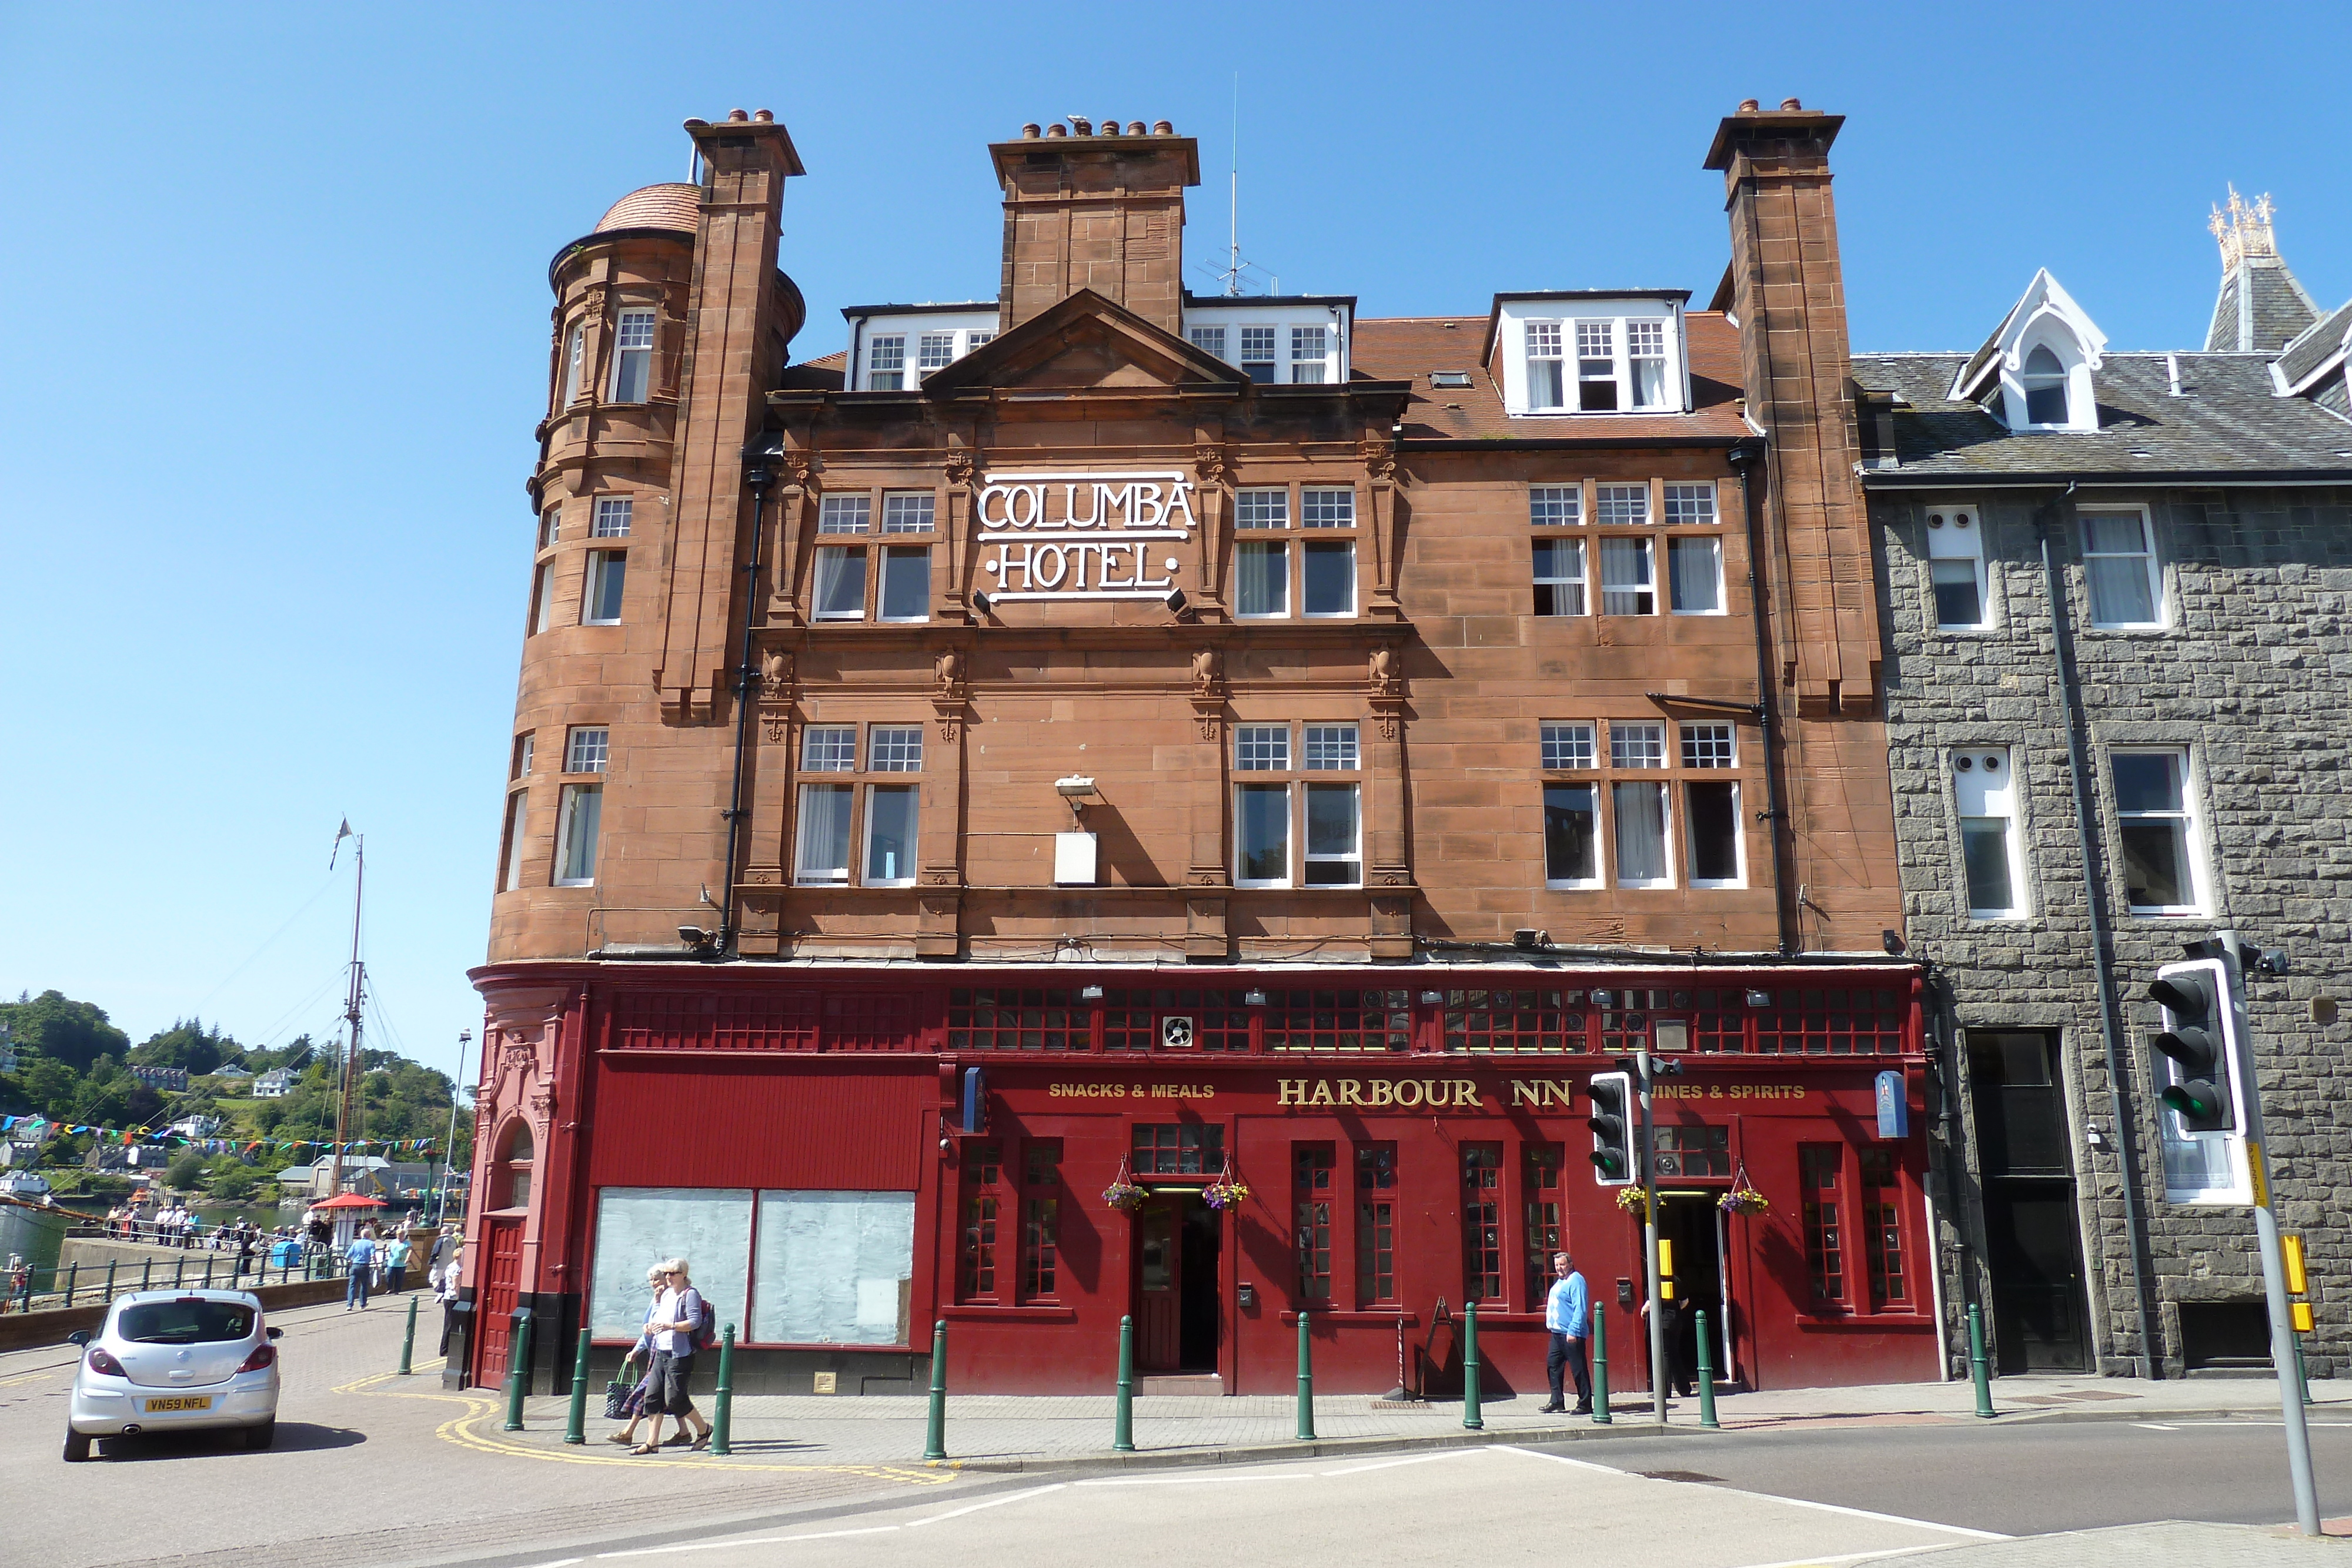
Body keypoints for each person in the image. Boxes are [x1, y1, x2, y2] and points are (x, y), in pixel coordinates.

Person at [633, 1259, 712, 1455]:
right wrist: (650, 1326)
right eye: (666, 1273)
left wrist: (671, 1327)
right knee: (652, 1397)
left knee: (675, 1399)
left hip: (680, 1354)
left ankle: (704, 1430)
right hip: (662, 1351)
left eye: (672, 1274)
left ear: (683, 1274)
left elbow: (694, 1322)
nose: (668, 1277)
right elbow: (659, 1317)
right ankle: (652, 1443)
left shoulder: (690, 1294)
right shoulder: (667, 1294)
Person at [606, 1266, 671, 1447]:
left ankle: (630, 1432)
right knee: (671, 1397)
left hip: (666, 1353)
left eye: (657, 1279)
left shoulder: (669, 1298)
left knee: (646, 1393)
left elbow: (657, 1323)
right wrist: (637, 1350)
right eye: (651, 1280)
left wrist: (658, 1300)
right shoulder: (657, 1298)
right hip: (656, 1353)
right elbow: (648, 1329)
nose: (653, 1283)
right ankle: (686, 1432)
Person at [1540, 1252, 1593, 1416]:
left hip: (1571, 1333)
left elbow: (1580, 1308)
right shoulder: (1560, 1282)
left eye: (1562, 1265)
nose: (1559, 1268)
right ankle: (1557, 1401)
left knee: (1578, 1369)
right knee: (1553, 1366)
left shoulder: (1576, 1280)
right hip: (1557, 1333)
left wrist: (1574, 1330)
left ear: (1570, 1264)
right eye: (1556, 1265)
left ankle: (1585, 1404)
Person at [345, 1226, 377, 1310]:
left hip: (355, 1266)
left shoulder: (356, 1244)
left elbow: (348, 1256)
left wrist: (350, 1262)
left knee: (352, 1285)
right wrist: (377, 1265)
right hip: (365, 1266)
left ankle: (350, 1305)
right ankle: (362, 1304)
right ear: (369, 1235)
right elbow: (373, 1256)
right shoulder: (371, 1244)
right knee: (364, 1285)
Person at [386, 1230, 412, 1295]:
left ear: (404, 1235)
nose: (399, 1237)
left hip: (401, 1263)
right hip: (392, 1262)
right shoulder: (394, 1241)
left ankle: (397, 1290)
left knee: (399, 1278)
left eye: (400, 1235)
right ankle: (389, 1289)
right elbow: (389, 1248)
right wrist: (387, 1249)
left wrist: (408, 1259)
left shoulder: (407, 1243)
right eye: (398, 1235)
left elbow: (410, 1251)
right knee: (389, 1276)